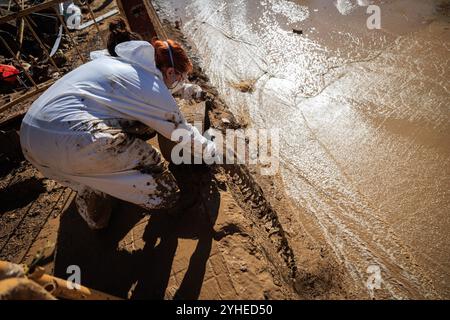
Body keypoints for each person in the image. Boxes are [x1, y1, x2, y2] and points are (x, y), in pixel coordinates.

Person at [20, 18, 215, 230]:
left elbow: (147, 86)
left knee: (89, 171)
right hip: (73, 138)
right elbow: (182, 133)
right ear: (169, 72)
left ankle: (92, 197)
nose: (180, 81)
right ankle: (168, 200)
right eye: (180, 77)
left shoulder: (118, 64)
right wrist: (212, 150)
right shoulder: (151, 88)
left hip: (33, 141)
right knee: (152, 161)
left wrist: (185, 90)